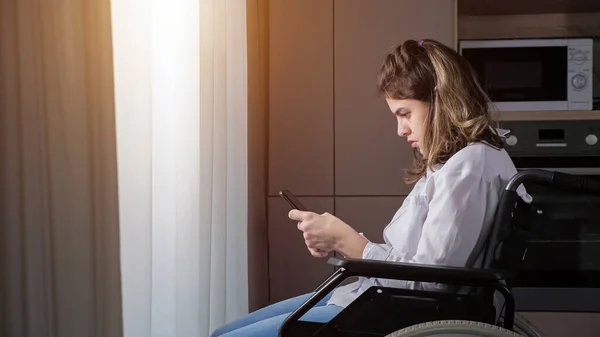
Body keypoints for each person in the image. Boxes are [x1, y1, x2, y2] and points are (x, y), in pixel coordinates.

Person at [210, 38, 530, 337]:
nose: (400, 129)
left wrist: (351, 244)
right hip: (373, 295)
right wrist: (345, 241)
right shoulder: (462, 163)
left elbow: (431, 282)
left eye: (405, 114)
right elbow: (424, 262)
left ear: (440, 101)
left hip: (398, 311)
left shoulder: (469, 167)